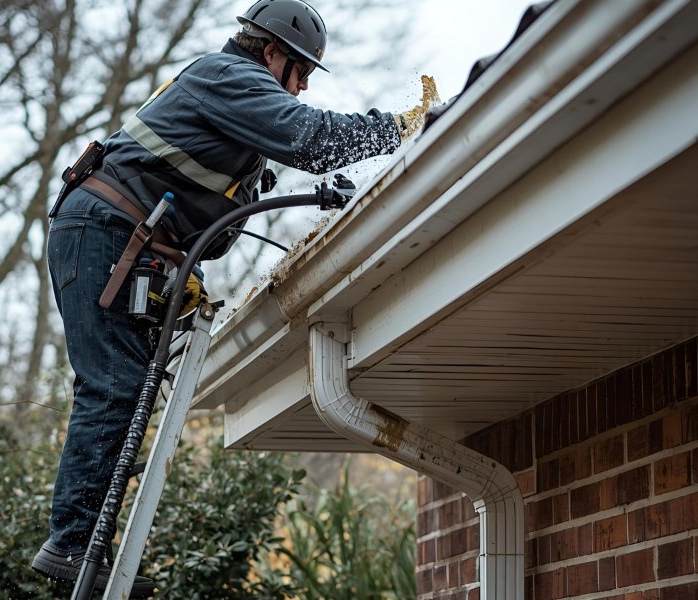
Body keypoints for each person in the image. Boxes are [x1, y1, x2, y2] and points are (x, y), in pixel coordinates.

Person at [31, 0, 432, 595]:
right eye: (298, 73)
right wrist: (404, 126)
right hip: (104, 233)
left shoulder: (228, 107)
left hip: (117, 238)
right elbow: (312, 138)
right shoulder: (228, 76)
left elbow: (212, 229)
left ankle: (88, 550)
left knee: (125, 388)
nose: (297, 90)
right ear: (272, 52)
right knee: (113, 387)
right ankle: (70, 547)